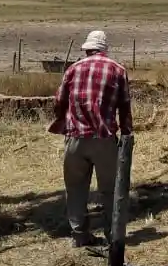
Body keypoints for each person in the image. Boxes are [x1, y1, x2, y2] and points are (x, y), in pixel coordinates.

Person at [49, 29, 133, 246]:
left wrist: (63, 121)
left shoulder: (73, 69)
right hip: (104, 138)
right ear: (105, 50)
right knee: (110, 190)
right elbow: (124, 107)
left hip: (75, 138)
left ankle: (79, 235)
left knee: (76, 188)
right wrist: (126, 134)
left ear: (87, 49)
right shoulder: (118, 70)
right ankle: (112, 234)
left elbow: (59, 102)